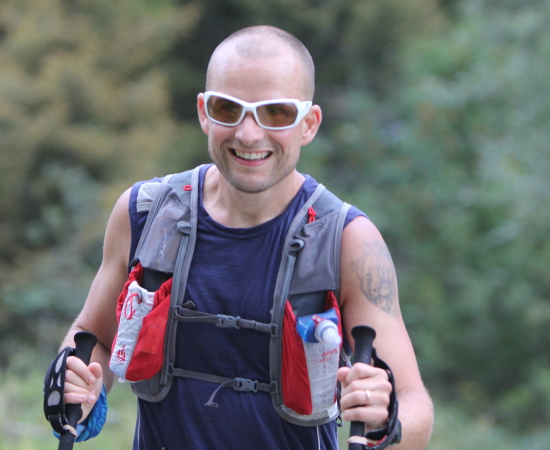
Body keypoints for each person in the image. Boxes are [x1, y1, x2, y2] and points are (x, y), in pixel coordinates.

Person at [54, 25, 434, 449]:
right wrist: (78, 385)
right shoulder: (145, 214)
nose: (249, 134)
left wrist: (387, 420)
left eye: (276, 113)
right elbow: (93, 337)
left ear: (309, 124)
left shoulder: (348, 242)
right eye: (228, 108)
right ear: (204, 113)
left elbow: (415, 406)